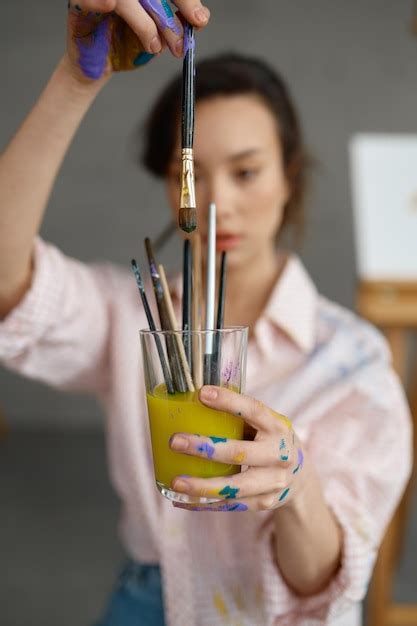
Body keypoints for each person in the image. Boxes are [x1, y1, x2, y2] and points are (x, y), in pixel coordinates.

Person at [0, 2, 412, 626]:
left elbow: (320, 581)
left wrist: (296, 485)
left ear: (289, 177)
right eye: (190, 173)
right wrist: (75, 80)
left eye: (247, 171)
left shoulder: (352, 363)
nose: (218, 201)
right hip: (148, 596)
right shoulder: (130, 313)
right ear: (174, 187)